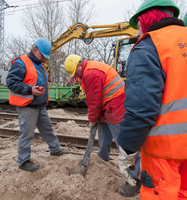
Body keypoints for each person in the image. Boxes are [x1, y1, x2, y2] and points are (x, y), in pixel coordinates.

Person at [117, 0, 187, 199]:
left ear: (149, 17)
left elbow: (141, 108)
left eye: (138, 25)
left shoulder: (148, 46)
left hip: (164, 151)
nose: (138, 33)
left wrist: (127, 146)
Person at [64, 54, 141, 196]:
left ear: (80, 64)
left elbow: (93, 100)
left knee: (123, 143)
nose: (76, 76)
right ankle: (103, 158)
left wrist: (92, 119)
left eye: (76, 72)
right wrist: (95, 117)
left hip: (115, 105)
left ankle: (135, 178)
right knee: (104, 136)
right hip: (107, 104)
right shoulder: (88, 70)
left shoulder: (90, 73)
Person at [6, 38, 69, 173]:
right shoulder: (21, 63)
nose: (44, 59)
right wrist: (30, 89)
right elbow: (11, 83)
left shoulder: (39, 65)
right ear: (35, 50)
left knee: (47, 129)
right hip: (27, 106)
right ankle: (23, 161)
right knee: (27, 134)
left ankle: (55, 150)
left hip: (39, 105)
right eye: (43, 56)